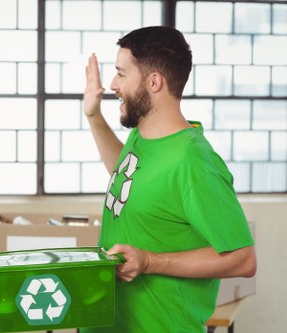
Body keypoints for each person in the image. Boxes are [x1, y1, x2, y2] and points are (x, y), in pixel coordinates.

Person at [81, 26, 257, 332]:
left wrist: (149, 261)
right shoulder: (143, 134)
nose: (112, 84)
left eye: (121, 74)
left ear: (153, 81)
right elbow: (129, 178)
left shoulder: (194, 163)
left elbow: (243, 259)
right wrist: (94, 116)